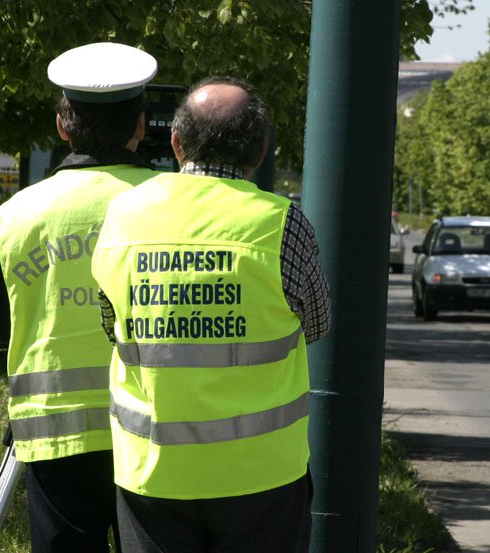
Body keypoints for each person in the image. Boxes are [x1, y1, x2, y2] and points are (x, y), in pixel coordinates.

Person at [91, 76, 331, 553]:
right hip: (263, 476)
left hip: (153, 472)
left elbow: (109, 323)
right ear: (260, 150)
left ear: (177, 144)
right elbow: (318, 325)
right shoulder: (283, 224)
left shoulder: (124, 216)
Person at [0, 42, 160, 552]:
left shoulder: (15, 217)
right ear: (140, 124)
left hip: (55, 430)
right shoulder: (171, 206)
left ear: (62, 126)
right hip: (155, 424)